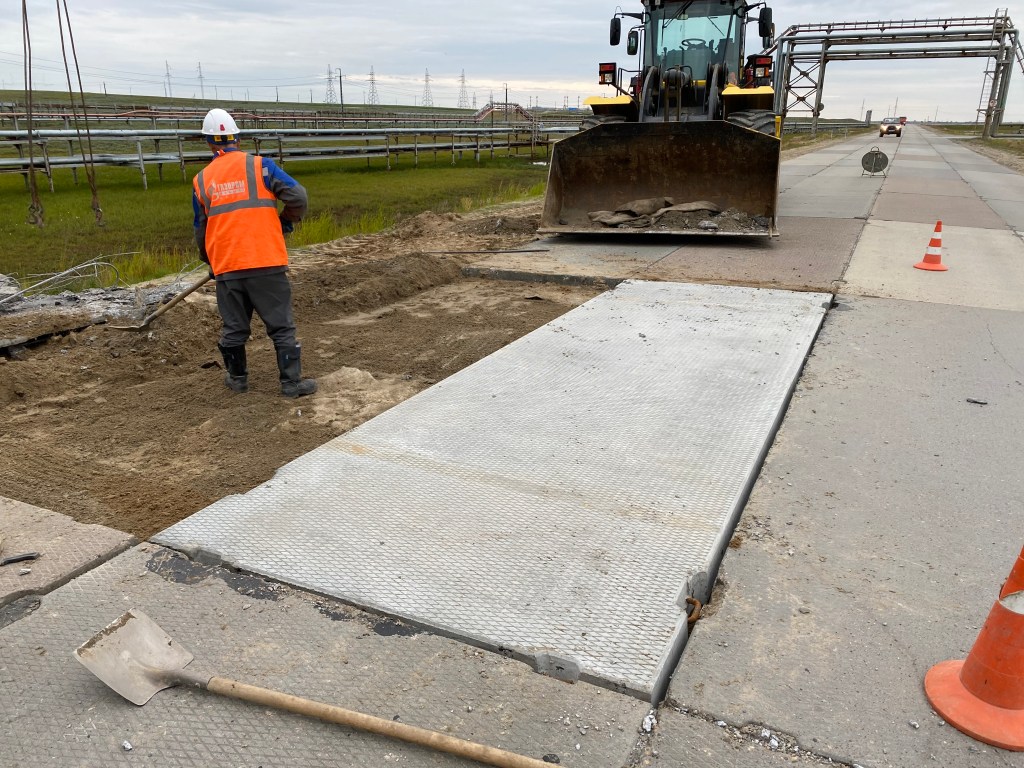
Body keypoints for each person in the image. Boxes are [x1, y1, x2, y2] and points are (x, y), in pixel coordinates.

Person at [192, 108, 316, 398]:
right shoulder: (262, 167)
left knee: (234, 328)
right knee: (281, 326)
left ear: (209, 142)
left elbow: (201, 230)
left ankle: (237, 380)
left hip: (228, 267)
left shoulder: (200, 181)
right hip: (266, 261)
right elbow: (298, 197)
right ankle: (291, 384)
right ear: (237, 137)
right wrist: (285, 221)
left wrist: (210, 261)